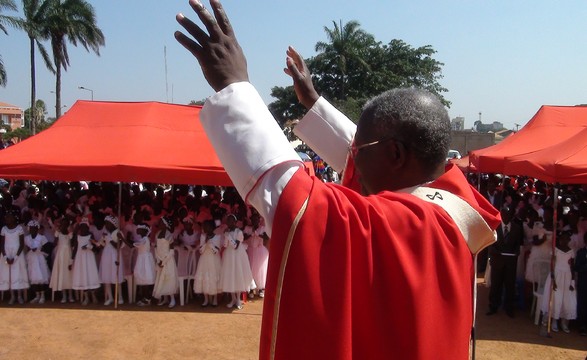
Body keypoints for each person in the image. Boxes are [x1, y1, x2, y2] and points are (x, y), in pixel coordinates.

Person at [175, 1, 500, 358]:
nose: (351, 159)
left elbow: (297, 202)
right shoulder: (454, 202)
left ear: (394, 155)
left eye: (359, 150)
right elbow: (366, 153)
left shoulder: (413, 223)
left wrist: (233, 87)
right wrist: (314, 104)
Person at [486, 205, 524, 317]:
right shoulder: (495, 227)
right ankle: (493, 306)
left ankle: (509, 308)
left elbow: (519, 244)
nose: (506, 217)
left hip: (510, 262)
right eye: (504, 214)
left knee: (510, 285)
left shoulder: (517, 228)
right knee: (495, 285)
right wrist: (494, 252)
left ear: (512, 215)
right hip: (498, 260)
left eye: (508, 214)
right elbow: (490, 243)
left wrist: (517, 252)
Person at [541, 230, 576, 333]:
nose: (564, 241)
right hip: (556, 275)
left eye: (566, 239)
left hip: (567, 277)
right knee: (556, 298)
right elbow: (552, 264)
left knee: (567, 300)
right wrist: (553, 279)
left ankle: (564, 322)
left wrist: (572, 281)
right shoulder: (555, 250)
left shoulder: (571, 251)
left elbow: (572, 267)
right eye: (562, 239)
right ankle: (554, 320)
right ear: (559, 239)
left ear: (569, 240)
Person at [220, 214, 255, 309]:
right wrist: (226, 236)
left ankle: (238, 299)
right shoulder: (227, 232)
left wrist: (228, 236)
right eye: (228, 221)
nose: (229, 223)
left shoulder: (239, 232)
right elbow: (225, 245)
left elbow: (236, 246)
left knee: (238, 274)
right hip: (228, 256)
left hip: (238, 256)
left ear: (235, 222)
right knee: (230, 275)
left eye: (231, 221)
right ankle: (233, 299)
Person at [0, 210, 29, 304]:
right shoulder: (4, 229)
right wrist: (5, 257)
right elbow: (2, 244)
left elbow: (21, 244)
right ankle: (12, 296)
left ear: (14, 218)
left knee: (18, 274)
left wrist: (15, 257)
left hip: (17, 254)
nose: (7, 218)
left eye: (9, 216)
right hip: (7, 254)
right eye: (6, 217)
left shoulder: (19, 228)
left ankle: (19, 296)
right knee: (9, 275)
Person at [71, 218, 101, 305]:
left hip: (89, 259)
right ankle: (86, 297)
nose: (83, 229)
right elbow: (75, 249)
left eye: (85, 227)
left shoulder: (90, 236)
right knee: (83, 276)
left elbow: (97, 248)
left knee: (90, 275)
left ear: (88, 228)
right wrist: (71, 260)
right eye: (81, 227)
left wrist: (89, 246)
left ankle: (93, 295)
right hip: (80, 259)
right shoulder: (78, 237)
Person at [194, 219, 222, 307]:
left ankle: (214, 299)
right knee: (205, 278)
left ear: (211, 227)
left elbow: (216, 251)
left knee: (214, 277)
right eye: (204, 226)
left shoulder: (217, 237)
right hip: (204, 259)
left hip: (214, 260)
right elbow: (201, 251)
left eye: (206, 226)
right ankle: (206, 299)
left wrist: (211, 245)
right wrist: (205, 243)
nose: (204, 228)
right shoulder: (203, 236)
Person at [152, 216, 178, 308]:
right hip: (160, 259)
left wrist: (164, 261)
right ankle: (164, 298)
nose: (159, 224)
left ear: (165, 225)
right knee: (161, 279)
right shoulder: (157, 234)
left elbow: (171, 251)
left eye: (161, 223)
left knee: (168, 279)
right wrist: (158, 260)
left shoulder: (169, 235)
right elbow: (156, 247)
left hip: (168, 260)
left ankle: (172, 299)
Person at [25, 220, 51, 304]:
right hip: (32, 258)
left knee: (41, 276)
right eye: (31, 228)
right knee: (34, 276)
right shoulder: (27, 238)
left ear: (37, 229)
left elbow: (47, 248)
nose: (33, 230)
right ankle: (37, 295)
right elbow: (27, 248)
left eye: (35, 228)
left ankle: (42, 296)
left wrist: (39, 249)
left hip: (39, 258)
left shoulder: (42, 237)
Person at [49, 217, 74, 303]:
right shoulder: (58, 233)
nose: (64, 225)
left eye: (66, 224)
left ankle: (70, 295)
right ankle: (64, 295)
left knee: (69, 274)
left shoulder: (70, 234)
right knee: (62, 274)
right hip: (60, 255)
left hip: (68, 254)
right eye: (62, 223)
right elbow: (55, 242)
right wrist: (57, 231)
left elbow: (72, 242)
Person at [133, 223, 157, 306]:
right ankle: (145, 297)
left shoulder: (145, 239)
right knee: (143, 279)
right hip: (142, 259)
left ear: (143, 230)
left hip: (145, 260)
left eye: (138, 228)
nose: (137, 229)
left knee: (145, 279)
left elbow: (133, 246)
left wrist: (122, 239)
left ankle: (147, 299)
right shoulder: (143, 238)